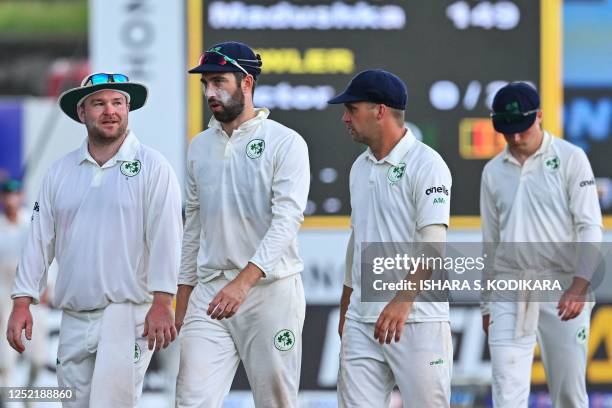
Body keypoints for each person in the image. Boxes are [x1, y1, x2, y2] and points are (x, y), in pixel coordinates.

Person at [6, 73, 183, 408]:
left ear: (128, 109)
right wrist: (21, 302)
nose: (110, 111)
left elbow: (167, 237)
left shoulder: (153, 167)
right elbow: (39, 240)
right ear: (81, 113)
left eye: (118, 103)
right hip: (74, 315)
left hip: (127, 313)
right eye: (99, 103)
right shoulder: (61, 171)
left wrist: (163, 300)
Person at [174, 41, 310, 408]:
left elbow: (287, 221)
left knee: (276, 402)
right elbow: (194, 225)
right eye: (205, 84)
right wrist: (184, 292)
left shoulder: (286, 143)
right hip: (210, 290)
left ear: (246, 82)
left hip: (269, 292)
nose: (210, 92)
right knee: (190, 400)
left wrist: (243, 282)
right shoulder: (199, 146)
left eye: (219, 82)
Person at [328, 69, 453, 407]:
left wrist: (402, 301)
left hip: (417, 319)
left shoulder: (428, 165)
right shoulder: (360, 167)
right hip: (361, 321)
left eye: (352, 110)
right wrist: (346, 306)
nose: (345, 118)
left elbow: (433, 246)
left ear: (379, 111)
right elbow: (358, 241)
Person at [480, 82, 602, 407]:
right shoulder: (492, 171)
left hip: (562, 285)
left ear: (540, 117)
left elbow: (590, 226)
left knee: (569, 394)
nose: (516, 138)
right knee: (507, 393)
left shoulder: (571, 158)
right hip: (510, 285)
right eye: (508, 131)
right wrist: (487, 303)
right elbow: (490, 243)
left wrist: (580, 284)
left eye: (522, 128)